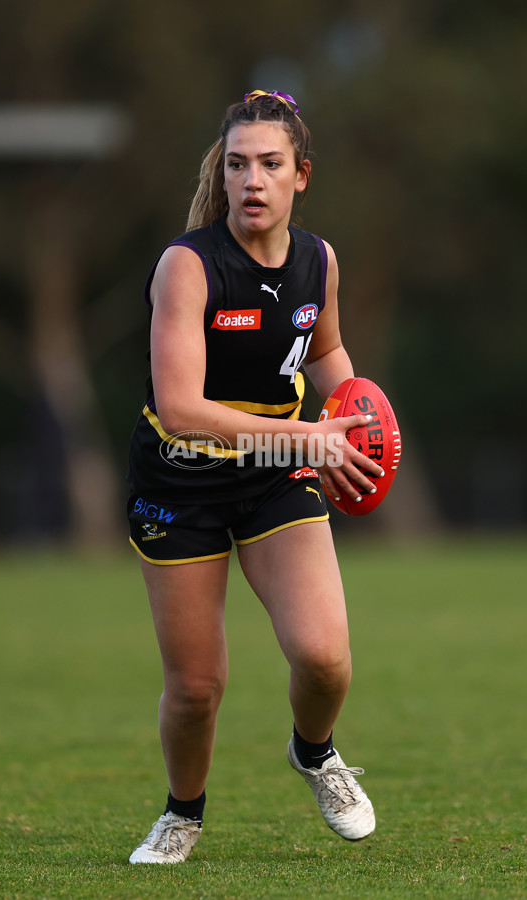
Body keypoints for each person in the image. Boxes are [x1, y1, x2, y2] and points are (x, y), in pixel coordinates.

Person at [126, 89, 384, 865]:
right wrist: (308, 435)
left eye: (270, 165)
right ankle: (182, 813)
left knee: (324, 657)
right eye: (238, 164)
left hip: (276, 474)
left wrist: (363, 415)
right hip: (180, 480)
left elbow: (328, 352)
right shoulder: (188, 266)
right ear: (224, 173)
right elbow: (181, 408)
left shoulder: (319, 260)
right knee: (198, 689)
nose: (252, 180)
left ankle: (315, 752)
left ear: (300, 175)